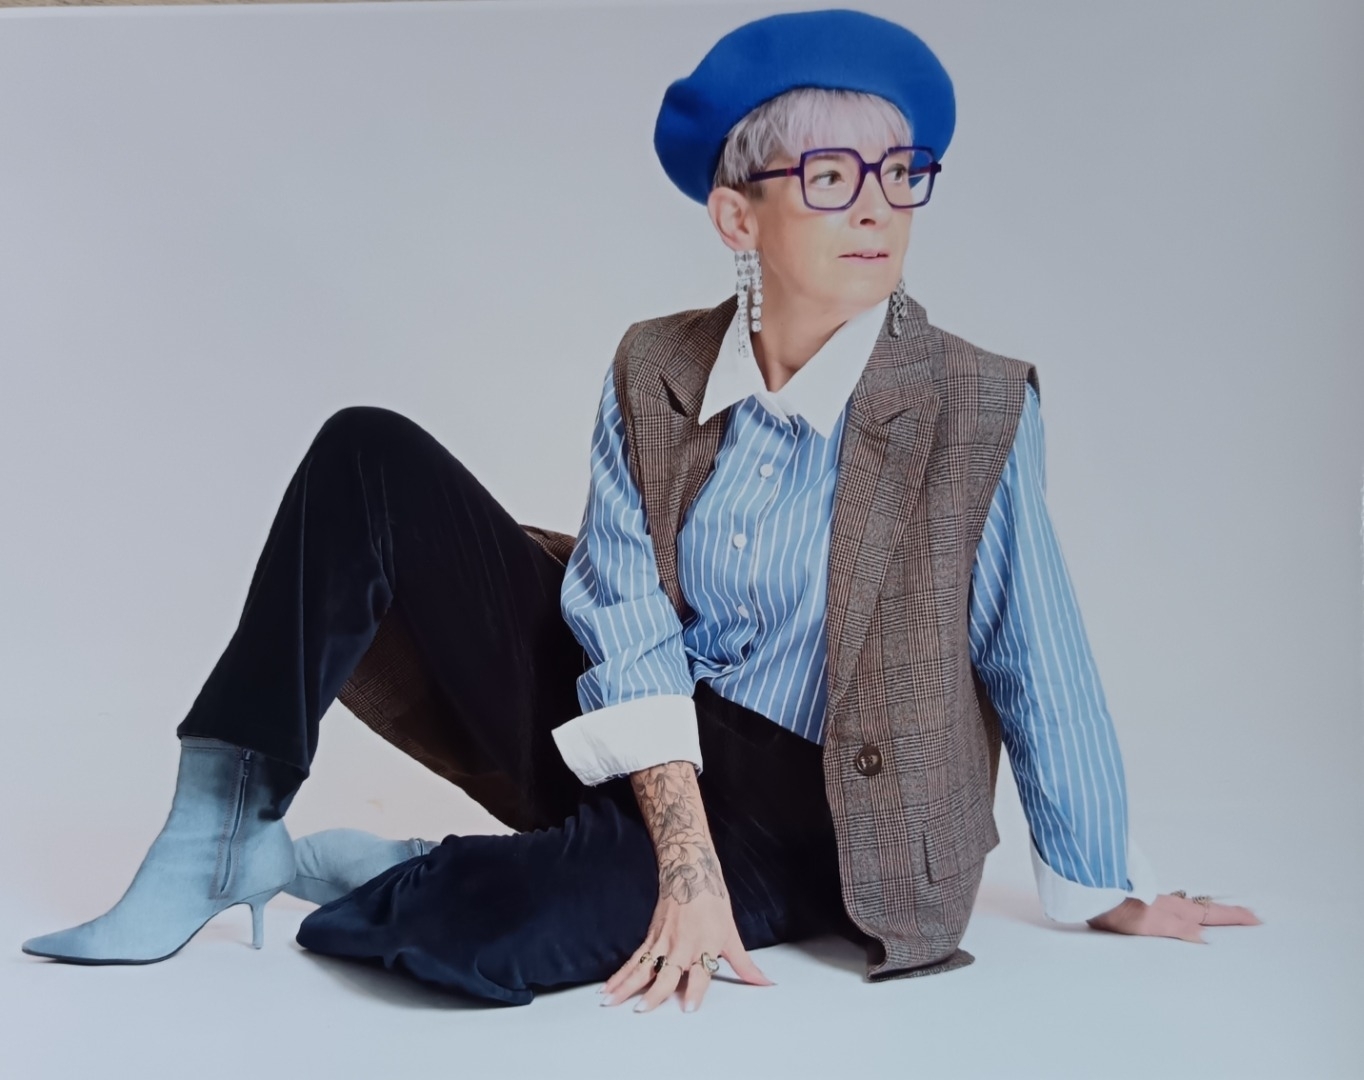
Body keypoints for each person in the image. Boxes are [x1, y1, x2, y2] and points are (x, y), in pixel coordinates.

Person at [20, 9, 1258, 1011]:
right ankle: (217, 834)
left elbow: (1034, 646)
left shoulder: (972, 404)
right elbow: (617, 609)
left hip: (816, 809)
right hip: (631, 715)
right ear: (737, 215)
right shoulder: (653, 365)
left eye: (898, 174)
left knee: (479, 945)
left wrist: (1103, 882)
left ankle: (379, 869)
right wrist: (679, 856)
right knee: (366, 453)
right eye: (830, 176)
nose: (878, 207)